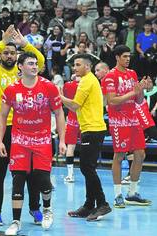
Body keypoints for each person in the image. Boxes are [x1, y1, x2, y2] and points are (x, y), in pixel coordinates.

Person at [0, 25, 45, 226]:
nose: (9, 56)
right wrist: (1, 43)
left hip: (22, 128)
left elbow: (40, 62)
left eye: (12, 53)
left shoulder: (24, 73)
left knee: (29, 172)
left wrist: (25, 44)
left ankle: (35, 208)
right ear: (0, 55)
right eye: (5, 53)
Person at [0, 52, 66, 235]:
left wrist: (62, 140)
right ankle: (16, 222)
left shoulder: (48, 87)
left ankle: (47, 209)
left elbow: (59, 113)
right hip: (20, 139)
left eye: (36, 63)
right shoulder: (12, 89)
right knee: (18, 180)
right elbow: (2, 116)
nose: (34, 66)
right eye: (30, 63)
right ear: (20, 66)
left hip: (42, 139)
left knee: (42, 179)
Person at [60, 53, 111, 221]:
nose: (74, 68)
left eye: (77, 64)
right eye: (74, 65)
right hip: (91, 129)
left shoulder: (87, 81)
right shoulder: (88, 80)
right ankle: (89, 205)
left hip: (93, 129)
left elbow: (74, 105)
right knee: (88, 167)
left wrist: (57, 96)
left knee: (86, 168)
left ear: (87, 66)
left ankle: (102, 204)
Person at [102, 45, 151, 208]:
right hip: (119, 122)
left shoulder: (132, 74)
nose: (128, 59)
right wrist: (132, 92)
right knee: (120, 155)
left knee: (140, 154)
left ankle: (132, 193)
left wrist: (142, 90)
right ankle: (117, 195)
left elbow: (138, 100)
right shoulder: (110, 76)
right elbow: (112, 100)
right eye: (124, 56)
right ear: (117, 57)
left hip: (133, 120)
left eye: (129, 56)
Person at [62, 74, 81, 182]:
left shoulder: (68, 85)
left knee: (71, 146)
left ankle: (70, 175)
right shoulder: (87, 84)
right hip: (84, 118)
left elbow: (64, 98)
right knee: (87, 147)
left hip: (72, 118)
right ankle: (90, 171)